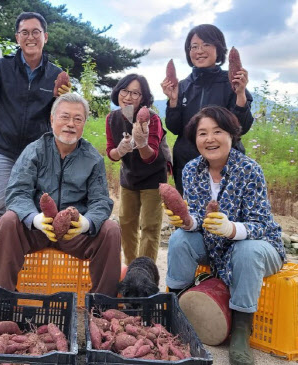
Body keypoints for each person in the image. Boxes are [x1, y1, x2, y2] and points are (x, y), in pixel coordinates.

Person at [164, 106, 286, 365]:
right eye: (202, 133)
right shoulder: (191, 171)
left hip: (260, 247)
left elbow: (261, 224)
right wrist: (186, 221)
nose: (210, 139)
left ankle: (241, 328)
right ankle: (176, 308)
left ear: (232, 135)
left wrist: (232, 229)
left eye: (217, 131)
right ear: (195, 140)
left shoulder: (249, 169)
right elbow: (197, 219)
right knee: (179, 239)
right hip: (213, 246)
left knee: (247, 249)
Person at [0, 12, 70, 286]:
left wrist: (63, 100)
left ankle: (22, 261)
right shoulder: (1, 67)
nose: (30, 37)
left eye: (36, 32)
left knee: (33, 205)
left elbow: (58, 117)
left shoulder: (56, 75)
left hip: (37, 152)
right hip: (3, 148)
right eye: (25, 32)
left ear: (45, 37)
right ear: (17, 38)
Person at [0, 93, 121, 297]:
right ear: (52, 119)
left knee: (111, 229)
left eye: (78, 119)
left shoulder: (93, 158)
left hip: (75, 234)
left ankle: (102, 307)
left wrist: (87, 222)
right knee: (7, 220)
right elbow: (17, 192)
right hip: (37, 230)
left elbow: (100, 200)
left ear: (84, 123)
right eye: (64, 117)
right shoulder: (34, 151)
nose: (70, 124)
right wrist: (34, 218)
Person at [161, 24, 254, 194]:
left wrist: (240, 95)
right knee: (189, 216)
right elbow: (174, 129)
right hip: (187, 164)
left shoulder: (232, 82)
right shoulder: (183, 86)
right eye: (194, 47)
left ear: (218, 48)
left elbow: (241, 128)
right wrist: (173, 101)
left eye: (206, 45)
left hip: (226, 163)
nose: (199, 51)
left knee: (224, 216)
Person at [106, 74, 171, 265]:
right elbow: (111, 152)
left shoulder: (152, 119)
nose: (128, 97)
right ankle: (130, 266)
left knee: (150, 226)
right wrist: (120, 150)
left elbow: (150, 156)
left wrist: (142, 142)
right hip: (129, 176)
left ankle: (145, 271)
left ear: (143, 97)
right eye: (125, 91)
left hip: (153, 176)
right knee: (126, 223)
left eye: (135, 93)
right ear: (118, 91)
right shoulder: (113, 118)